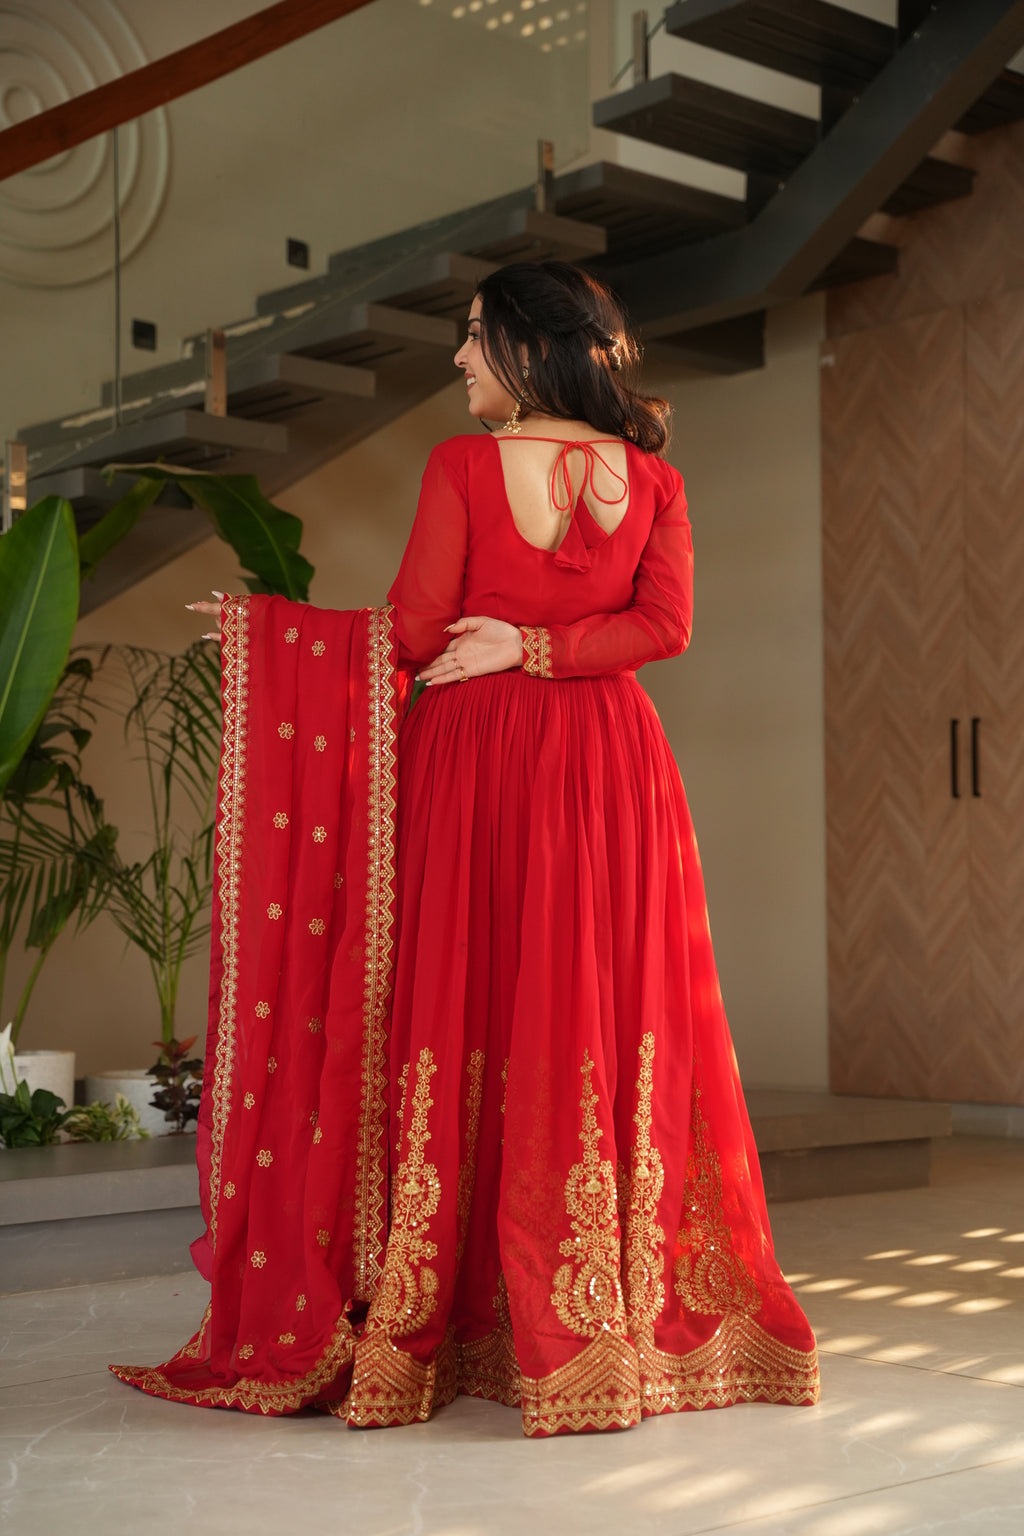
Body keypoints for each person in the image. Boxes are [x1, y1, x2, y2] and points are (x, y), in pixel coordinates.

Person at [112, 261, 819, 1436]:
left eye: (472, 338)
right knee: (595, 1001)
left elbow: (416, 630)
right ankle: (610, 1317)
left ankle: (465, 1311)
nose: (456, 359)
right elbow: (665, 628)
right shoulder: (653, 479)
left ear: (526, 349)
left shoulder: (463, 468)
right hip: (609, 764)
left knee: (468, 998)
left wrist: (276, 633)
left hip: (482, 759)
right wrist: (556, 651)